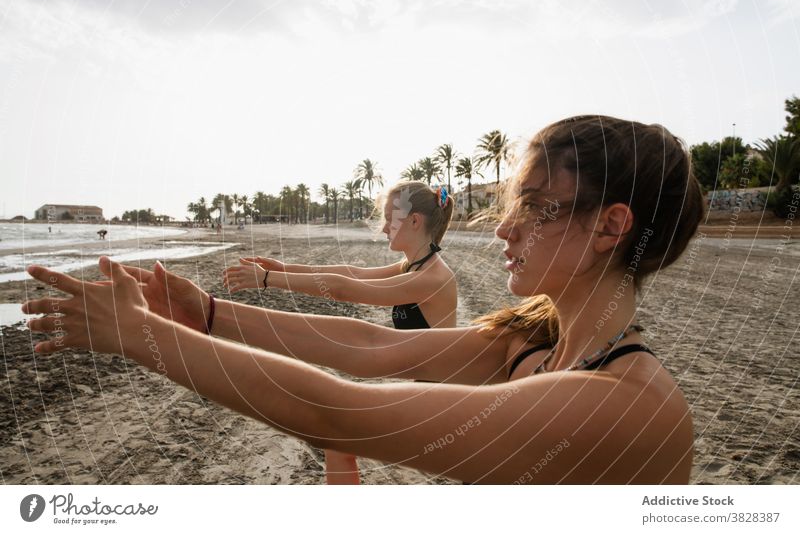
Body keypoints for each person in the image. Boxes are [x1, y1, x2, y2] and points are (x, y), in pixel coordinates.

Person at [23, 115, 704, 484]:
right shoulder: (535, 339)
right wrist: (204, 313)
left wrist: (141, 334)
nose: (505, 227)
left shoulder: (625, 405)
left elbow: (346, 408)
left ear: (611, 227)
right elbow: (374, 346)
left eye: (534, 206)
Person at [222, 181, 457, 484]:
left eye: (389, 218)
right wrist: (285, 268)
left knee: (337, 435)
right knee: (337, 439)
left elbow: (346, 289)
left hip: (440, 404)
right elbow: (351, 273)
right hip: (423, 394)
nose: (383, 227)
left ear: (414, 221)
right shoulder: (413, 267)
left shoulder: (432, 277)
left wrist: (269, 279)